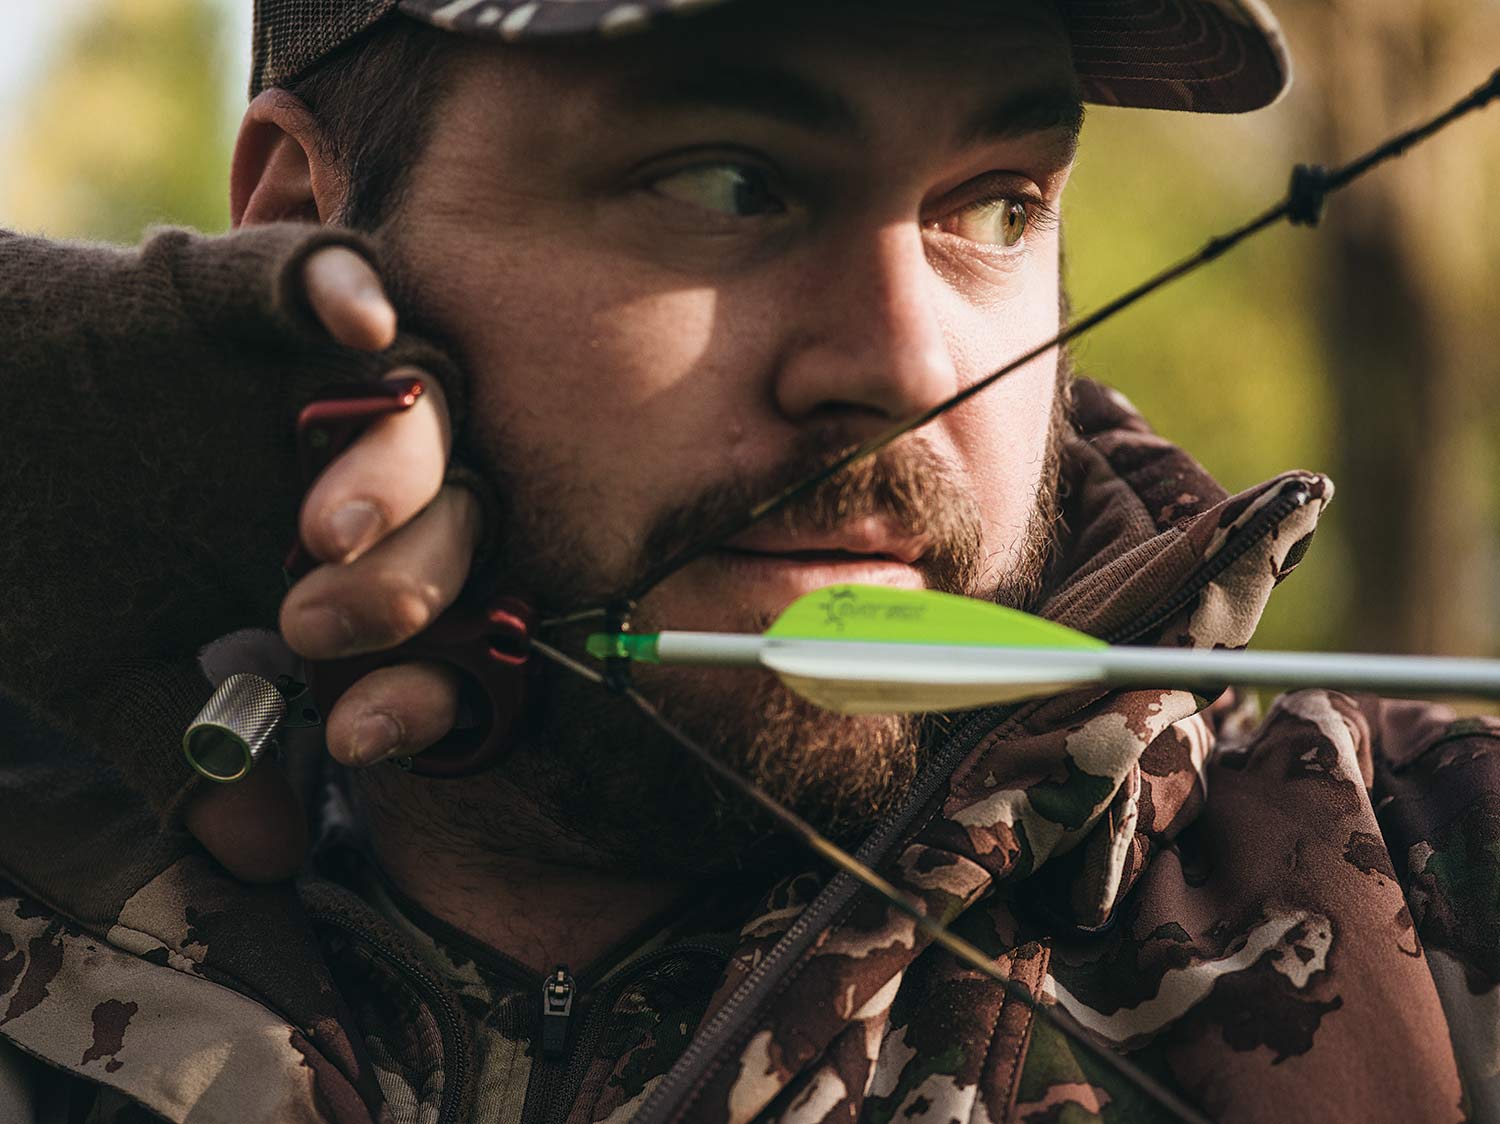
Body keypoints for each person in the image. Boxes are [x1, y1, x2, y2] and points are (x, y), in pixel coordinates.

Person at [0, 1, 1493, 1121]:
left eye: (998, 206)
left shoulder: (1436, 881)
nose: (912, 365)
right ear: (301, 223)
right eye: (728, 183)